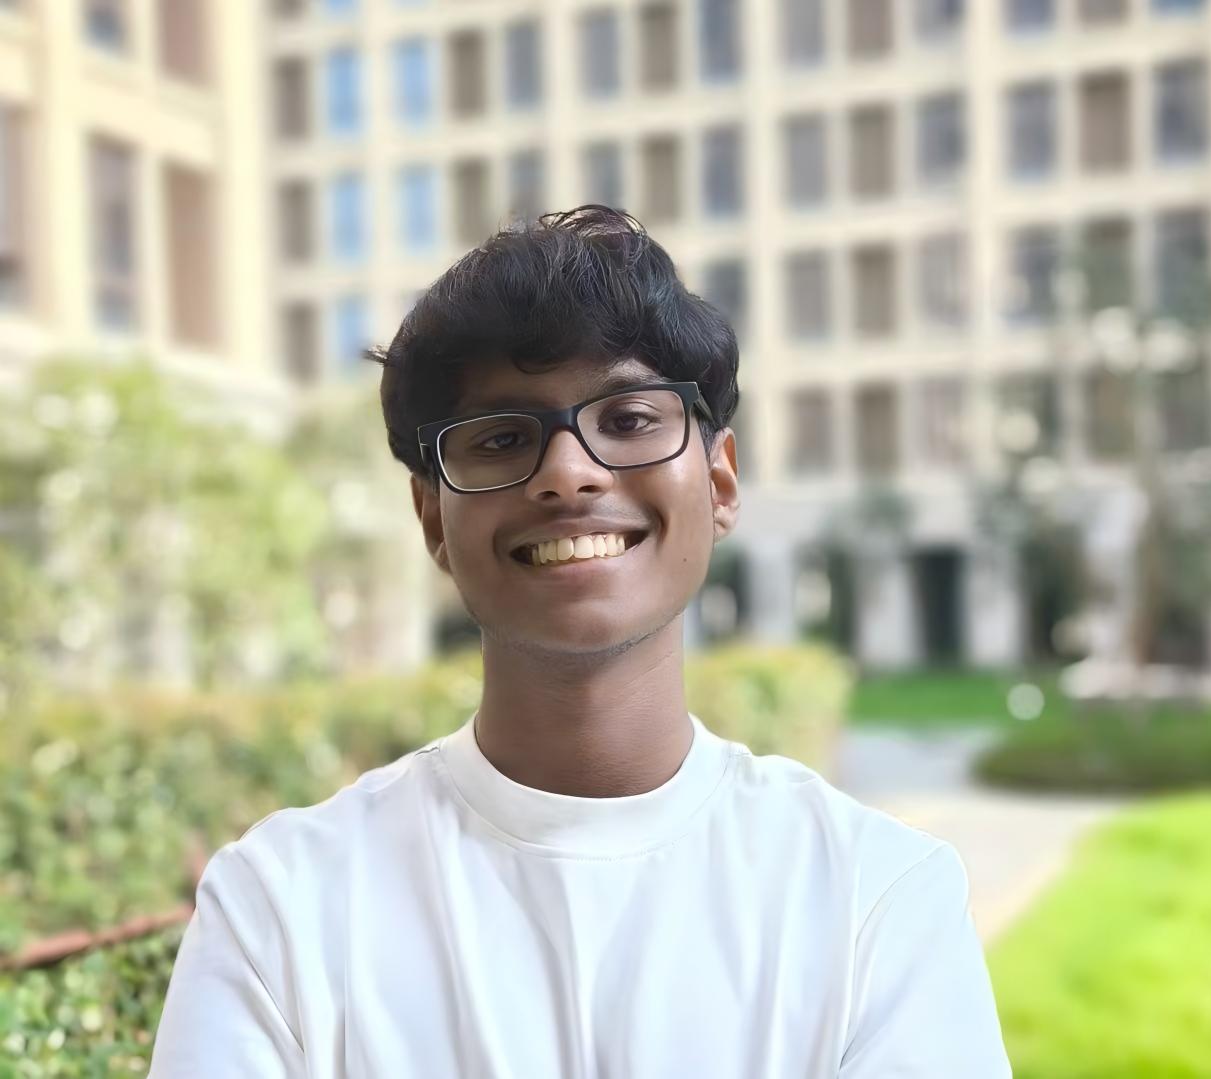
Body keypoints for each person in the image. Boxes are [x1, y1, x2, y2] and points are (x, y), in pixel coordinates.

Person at [149, 206, 1011, 1077]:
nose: (569, 473)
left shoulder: (873, 898)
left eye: (629, 419)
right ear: (432, 517)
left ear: (718, 481)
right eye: (501, 438)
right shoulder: (281, 908)